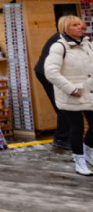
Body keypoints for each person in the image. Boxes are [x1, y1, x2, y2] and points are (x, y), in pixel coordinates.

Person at [43, 14, 93, 176]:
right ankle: (79, 160)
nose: (80, 27)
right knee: (77, 127)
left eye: (80, 24)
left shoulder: (88, 45)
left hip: (90, 92)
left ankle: (88, 151)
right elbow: (50, 72)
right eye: (75, 25)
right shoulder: (59, 46)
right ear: (66, 28)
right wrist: (71, 89)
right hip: (72, 94)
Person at [35, 29, 72, 150]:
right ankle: (62, 138)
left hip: (55, 74)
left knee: (66, 106)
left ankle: (65, 137)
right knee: (63, 106)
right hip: (48, 74)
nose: (81, 30)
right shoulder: (61, 40)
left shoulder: (74, 39)